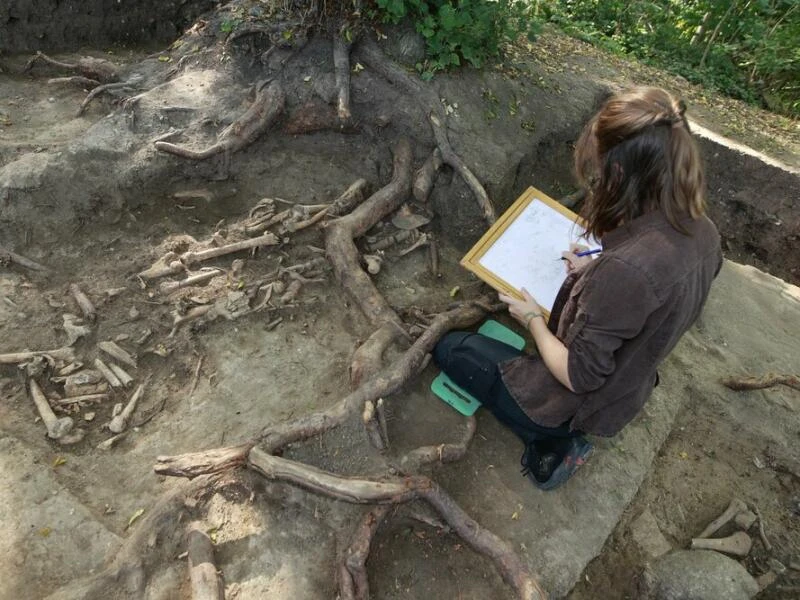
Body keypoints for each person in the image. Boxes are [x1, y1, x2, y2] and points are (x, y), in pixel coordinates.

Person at [434, 87, 723, 490]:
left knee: (451, 349)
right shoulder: (704, 231)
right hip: (630, 386)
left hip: (582, 401)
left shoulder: (625, 271)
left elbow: (579, 376)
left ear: (619, 172)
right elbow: (654, 294)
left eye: (600, 168)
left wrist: (533, 318)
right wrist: (595, 266)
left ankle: (552, 438)